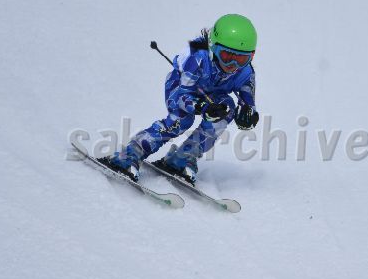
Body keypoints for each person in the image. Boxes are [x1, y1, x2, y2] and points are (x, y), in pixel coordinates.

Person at [99, 13, 259, 184]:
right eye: (227, 57)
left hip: (212, 95)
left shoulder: (245, 72)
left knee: (226, 110)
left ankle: (183, 157)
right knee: (182, 120)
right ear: (213, 46)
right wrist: (202, 107)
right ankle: (131, 153)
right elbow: (182, 96)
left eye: (241, 59)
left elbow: (247, 102)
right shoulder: (197, 57)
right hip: (182, 89)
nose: (232, 66)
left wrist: (247, 115)